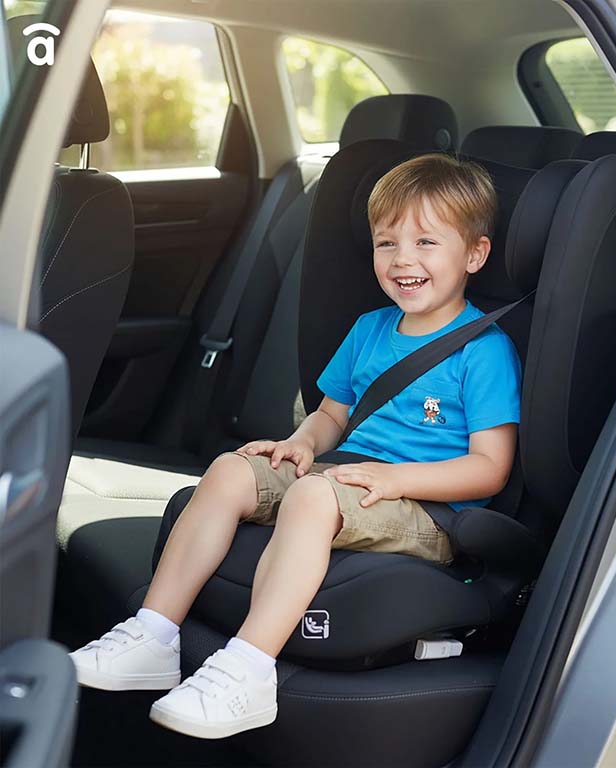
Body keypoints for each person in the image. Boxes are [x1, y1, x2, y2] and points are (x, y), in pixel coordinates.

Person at [68, 153, 523, 740]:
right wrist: (302, 444)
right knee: (233, 469)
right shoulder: (370, 329)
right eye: (386, 243)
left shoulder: (482, 351)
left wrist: (395, 479)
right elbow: (331, 415)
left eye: (426, 243)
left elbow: (490, 469)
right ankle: (152, 633)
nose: (402, 259)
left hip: (428, 511)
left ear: (475, 255)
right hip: (348, 480)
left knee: (312, 497)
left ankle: (248, 667)